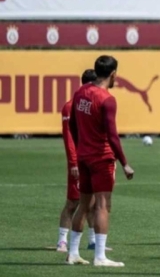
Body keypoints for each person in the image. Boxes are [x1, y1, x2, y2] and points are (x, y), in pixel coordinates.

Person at [67, 56, 134, 267]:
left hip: (84, 156)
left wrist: (79, 148)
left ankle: (73, 253)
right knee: (103, 206)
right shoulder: (106, 99)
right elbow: (112, 136)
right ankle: (100, 256)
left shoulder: (81, 93)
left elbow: (72, 126)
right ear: (113, 73)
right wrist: (124, 163)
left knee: (84, 205)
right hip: (101, 158)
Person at [57, 69, 104, 253]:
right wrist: (74, 162)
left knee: (91, 202)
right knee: (73, 202)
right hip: (78, 162)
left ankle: (92, 241)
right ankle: (62, 240)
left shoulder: (90, 104)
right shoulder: (71, 106)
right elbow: (69, 137)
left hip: (91, 159)